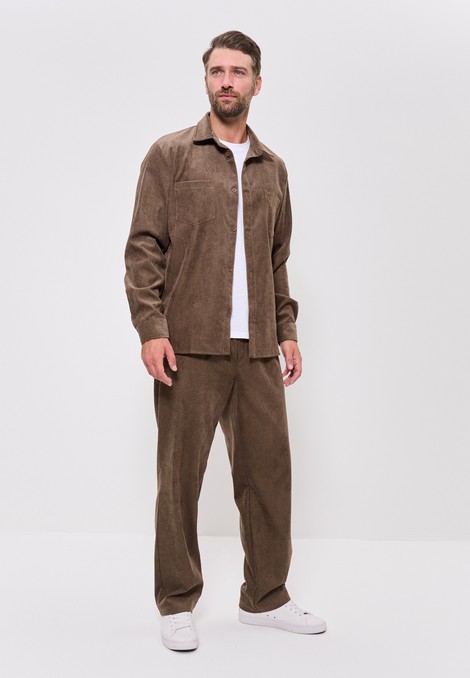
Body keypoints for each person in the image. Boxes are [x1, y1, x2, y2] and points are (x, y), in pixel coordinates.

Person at [124, 30, 327, 651]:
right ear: (206, 80)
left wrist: (286, 330)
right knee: (179, 479)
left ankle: (265, 597)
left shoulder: (274, 169)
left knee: (268, 476)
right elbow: (144, 248)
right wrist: (152, 328)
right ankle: (176, 601)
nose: (227, 81)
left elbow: (276, 259)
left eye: (239, 72)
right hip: (189, 344)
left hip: (258, 348)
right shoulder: (170, 155)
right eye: (218, 71)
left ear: (257, 84)